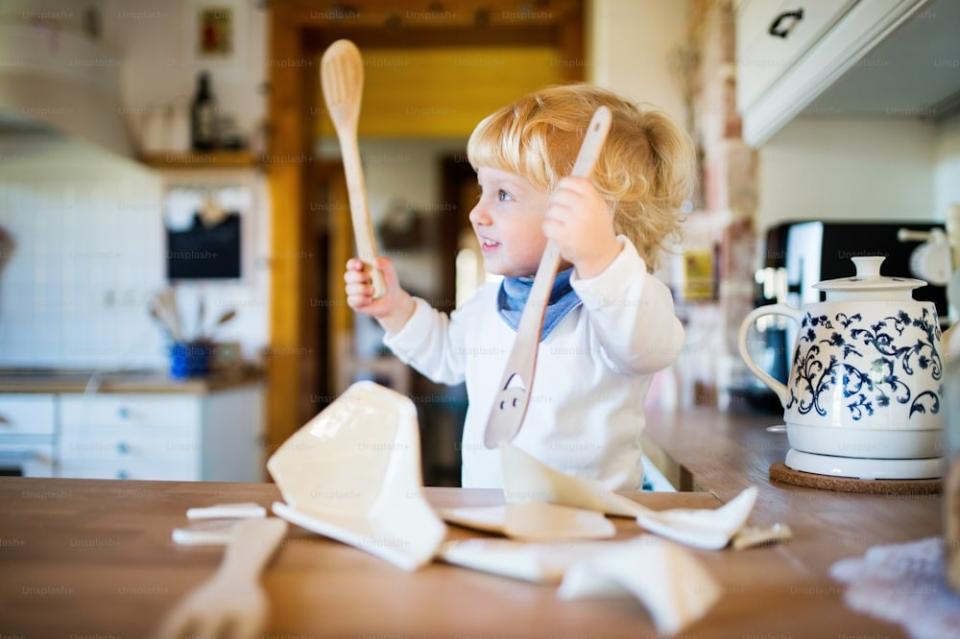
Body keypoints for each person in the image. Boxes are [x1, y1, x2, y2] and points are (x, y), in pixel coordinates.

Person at [343, 84, 693, 490]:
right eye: (482, 190)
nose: (477, 212)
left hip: (594, 534)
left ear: (587, 212)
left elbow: (646, 347)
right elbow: (445, 355)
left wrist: (599, 255)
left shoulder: (619, 303)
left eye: (504, 194)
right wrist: (394, 308)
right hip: (491, 522)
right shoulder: (488, 306)